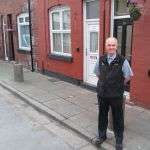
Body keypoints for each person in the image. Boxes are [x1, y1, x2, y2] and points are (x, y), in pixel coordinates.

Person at [94, 37, 133, 150]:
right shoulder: (101, 59)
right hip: (102, 94)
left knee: (118, 118)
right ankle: (102, 136)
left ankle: (119, 140)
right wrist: (104, 83)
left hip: (116, 96)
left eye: (113, 45)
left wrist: (118, 84)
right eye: (109, 45)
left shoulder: (122, 60)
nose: (111, 47)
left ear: (117, 46)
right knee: (102, 116)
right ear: (106, 46)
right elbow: (97, 73)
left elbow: (128, 76)